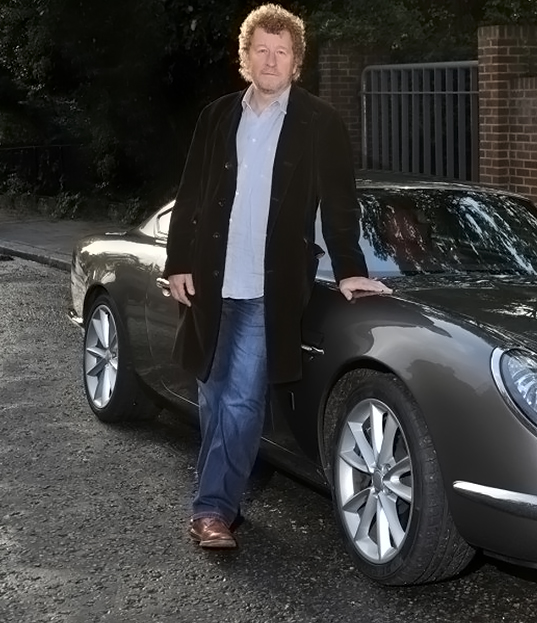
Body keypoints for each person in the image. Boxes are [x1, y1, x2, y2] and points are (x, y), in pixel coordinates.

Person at [162, 3, 391, 550]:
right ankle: (215, 494)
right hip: (212, 283)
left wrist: (350, 271)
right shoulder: (217, 116)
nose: (270, 60)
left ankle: (213, 510)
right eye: (260, 50)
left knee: (241, 399)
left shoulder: (320, 122)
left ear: (296, 62)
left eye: (281, 52)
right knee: (214, 395)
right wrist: (177, 263)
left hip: (270, 288)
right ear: (245, 57)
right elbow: (191, 195)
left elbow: (340, 205)